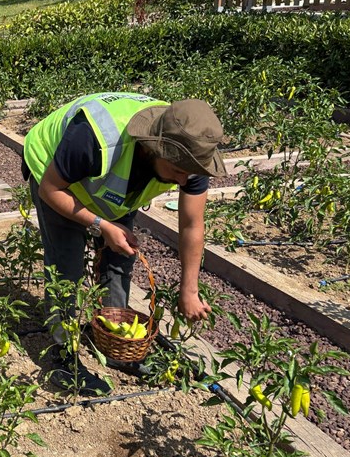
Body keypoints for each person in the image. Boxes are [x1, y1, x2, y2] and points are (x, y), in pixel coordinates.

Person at [23, 92, 227, 395]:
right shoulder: (95, 138)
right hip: (54, 176)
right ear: (153, 150)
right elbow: (51, 190)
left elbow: (192, 225)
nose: (184, 182)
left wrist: (190, 289)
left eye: (191, 174)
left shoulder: (190, 156)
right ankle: (62, 353)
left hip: (108, 188)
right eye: (177, 173)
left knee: (120, 258)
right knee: (66, 266)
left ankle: (115, 344)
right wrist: (100, 225)